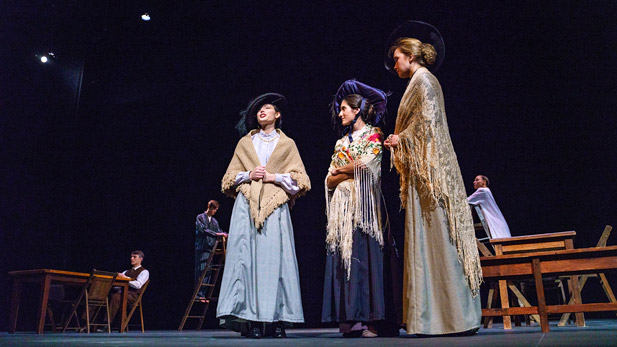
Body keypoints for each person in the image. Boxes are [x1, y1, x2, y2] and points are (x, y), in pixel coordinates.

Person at [383, 21, 482, 335]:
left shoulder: (423, 80)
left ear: (411, 56)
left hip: (431, 173)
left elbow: (429, 123)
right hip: (423, 171)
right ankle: (436, 316)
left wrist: (402, 140)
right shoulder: (419, 81)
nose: (395, 65)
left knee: (438, 236)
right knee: (431, 238)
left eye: (397, 58)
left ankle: (451, 316)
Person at [216, 93, 311, 339]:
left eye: (267, 108)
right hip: (246, 206)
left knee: (276, 263)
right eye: (259, 108)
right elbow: (229, 179)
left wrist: (274, 177)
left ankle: (277, 320)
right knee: (247, 262)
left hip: (274, 207)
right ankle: (251, 320)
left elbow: (300, 180)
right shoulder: (245, 144)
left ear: (277, 115)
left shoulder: (287, 144)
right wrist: (249, 174)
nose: (262, 111)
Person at [321, 80, 400, 338]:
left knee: (366, 261)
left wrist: (342, 170)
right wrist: (348, 170)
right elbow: (328, 179)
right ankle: (350, 320)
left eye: (344, 108)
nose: (341, 113)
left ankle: (372, 321)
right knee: (346, 261)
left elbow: (367, 167)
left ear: (356, 110)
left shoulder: (374, 135)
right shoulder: (340, 144)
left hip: (365, 209)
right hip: (342, 211)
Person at [194, 200, 226, 300]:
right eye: (214, 209)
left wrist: (225, 234)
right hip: (202, 248)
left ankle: (203, 294)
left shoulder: (214, 221)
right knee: (201, 270)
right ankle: (198, 294)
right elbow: (203, 230)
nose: (215, 211)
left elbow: (219, 231)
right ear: (210, 208)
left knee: (208, 271)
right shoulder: (200, 217)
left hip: (210, 248)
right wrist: (217, 234)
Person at [109, 250, 149, 324]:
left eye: (134, 257)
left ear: (141, 259)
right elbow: (119, 286)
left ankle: (107, 324)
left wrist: (125, 278)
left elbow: (138, 285)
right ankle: (92, 324)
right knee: (104, 295)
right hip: (122, 293)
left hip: (132, 296)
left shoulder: (144, 272)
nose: (132, 258)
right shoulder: (126, 271)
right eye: (131, 257)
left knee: (116, 297)